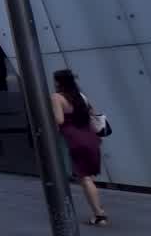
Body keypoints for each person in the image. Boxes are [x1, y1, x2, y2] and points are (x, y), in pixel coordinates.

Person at [52, 69, 107, 226]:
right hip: (91, 138)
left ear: (58, 82)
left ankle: (99, 214)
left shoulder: (57, 97)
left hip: (74, 139)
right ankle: (98, 211)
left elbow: (59, 120)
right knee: (88, 177)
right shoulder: (81, 96)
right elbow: (93, 114)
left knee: (85, 178)